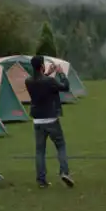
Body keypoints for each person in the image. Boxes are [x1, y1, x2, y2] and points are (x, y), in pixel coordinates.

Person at [25, 55, 75, 188]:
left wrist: (48, 73)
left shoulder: (28, 81)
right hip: (51, 118)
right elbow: (65, 87)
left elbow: (41, 82)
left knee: (40, 151)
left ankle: (41, 180)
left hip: (37, 120)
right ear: (42, 66)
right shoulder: (50, 81)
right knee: (61, 146)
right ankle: (64, 172)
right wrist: (61, 73)